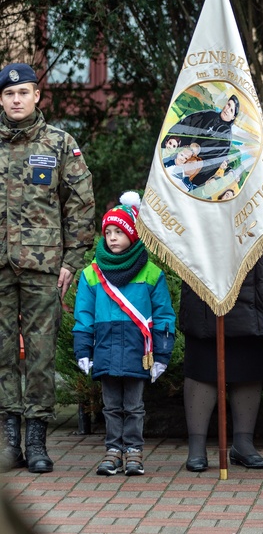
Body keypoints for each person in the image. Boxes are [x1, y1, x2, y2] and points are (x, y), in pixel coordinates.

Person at [179, 130, 263, 472]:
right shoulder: (200, 159)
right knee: (203, 363)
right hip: (209, 271)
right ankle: (197, 447)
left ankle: (243, 443)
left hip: (259, 278)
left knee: (249, 362)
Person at [0, 63, 95, 473]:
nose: (16, 100)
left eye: (23, 92)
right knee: (2, 353)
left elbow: (80, 204)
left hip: (43, 267)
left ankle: (36, 440)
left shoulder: (58, 143)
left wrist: (72, 261)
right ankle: (8, 441)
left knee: (39, 355)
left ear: (37, 96)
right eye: (9, 94)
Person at [72, 192, 176, 476]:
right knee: (110, 406)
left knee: (134, 406)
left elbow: (165, 315)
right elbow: (83, 316)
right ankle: (112, 451)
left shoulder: (152, 273)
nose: (113, 238)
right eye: (108, 232)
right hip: (105, 348)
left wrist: (162, 355)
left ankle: (133, 451)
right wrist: (83, 350)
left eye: (119, 231)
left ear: (133, 234)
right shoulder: (91, 274)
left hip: (137, 351)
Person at [161, 94, 239, 186]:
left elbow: (213, 163)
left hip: (189, 172)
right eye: (228, 105)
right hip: (175, 156)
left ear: (233, 117)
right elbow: (185, 124)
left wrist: (197, 155)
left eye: (231, 110)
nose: (227, 110)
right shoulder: (208, 114)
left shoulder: (226, 140)